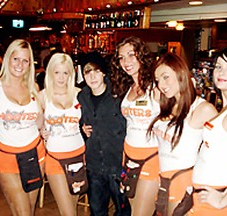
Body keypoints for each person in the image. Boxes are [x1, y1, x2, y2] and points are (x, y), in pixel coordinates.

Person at [147, 53, 218, 215]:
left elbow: (226, 147)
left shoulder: (202, 109)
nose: (161, 85)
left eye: (166, 77)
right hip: (162, 179)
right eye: (158, 80)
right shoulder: (166, 104)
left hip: (183, 181)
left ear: (180, 74)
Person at [0, 39, 45, 216]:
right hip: (7, 157)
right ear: (7, 58)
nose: (20, 64)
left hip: (36, 155)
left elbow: (40, 121)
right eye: (16, 59)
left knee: (27, 210)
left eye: (25, 60)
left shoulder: (33, 87)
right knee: (23, 211)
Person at [111, 36, 160, 216]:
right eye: (122, 58)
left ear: (142, 56)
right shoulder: (128, 87)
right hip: (128, 156)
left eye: (131, 55)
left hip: (151, 158)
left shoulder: (157, 86)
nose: (126, 62)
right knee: (132, 209)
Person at [77, 52, 131, 216]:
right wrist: (81, 129)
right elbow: (74, 121)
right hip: (94, 167)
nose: (92, 76)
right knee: (97, 211)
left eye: (96, 71)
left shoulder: (119, 95)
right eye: (88, 72)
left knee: (123, 210)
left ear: (104, 73)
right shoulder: (81, 97)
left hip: (117, 165)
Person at [190, 46, 227, 215]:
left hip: (218, 202)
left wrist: (222, 200)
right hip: (205, 197)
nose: (221, 72)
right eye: (218, 66)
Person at [39, 53, 86, 216]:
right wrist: (41, 131)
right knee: (68, 212)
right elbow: (33, 125)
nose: (60, 77)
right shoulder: (42, 96)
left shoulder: (79, 94)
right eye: (57, 72)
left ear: (71, 74)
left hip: (79, 155)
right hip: (55, 157)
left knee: (73, 207)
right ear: (50, 73)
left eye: (65, 73)